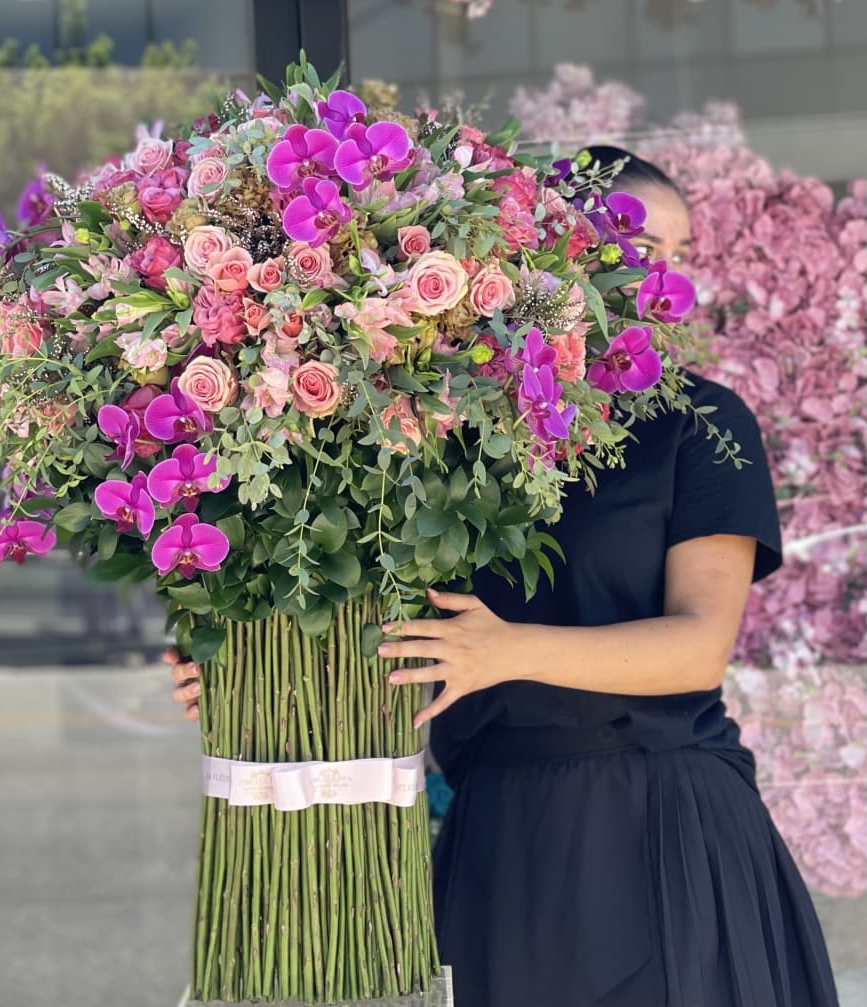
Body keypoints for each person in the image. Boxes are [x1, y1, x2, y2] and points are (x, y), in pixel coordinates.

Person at [165, 147, 839, 1007]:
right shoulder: (439, 422)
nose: (660, 277)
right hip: (498, 831)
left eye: (676, 257)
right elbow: (371, 625)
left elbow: (696, 650)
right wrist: (240, 665)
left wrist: (503, 650)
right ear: (547, 244)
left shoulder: (699, 423)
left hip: (658, 818)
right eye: (636, 244)